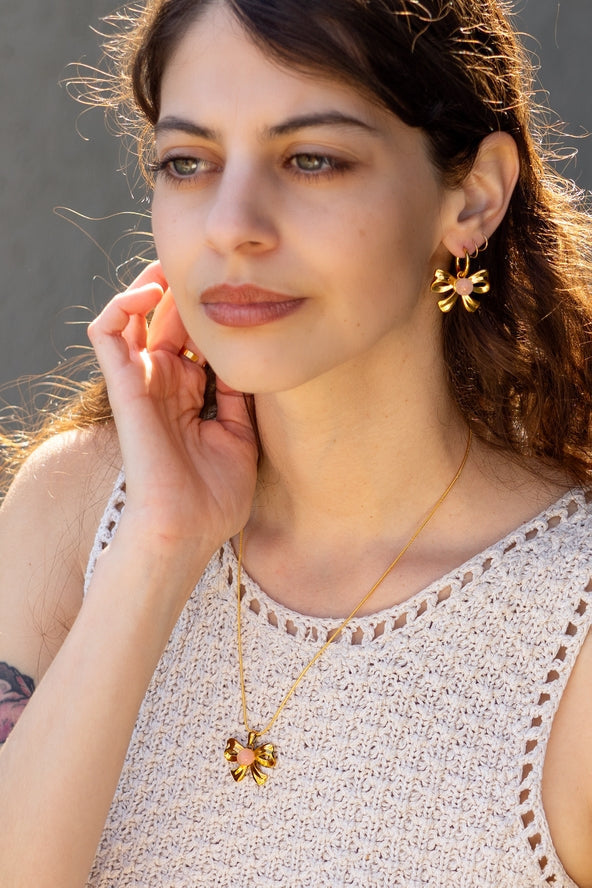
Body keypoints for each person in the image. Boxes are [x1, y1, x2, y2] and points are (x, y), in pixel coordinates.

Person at [1, 0, 591, 885]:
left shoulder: (569, 630)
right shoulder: (75, 508)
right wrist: (159, 546)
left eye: (312, 158)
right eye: (187, 162)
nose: (232, 224)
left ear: (472, 196)